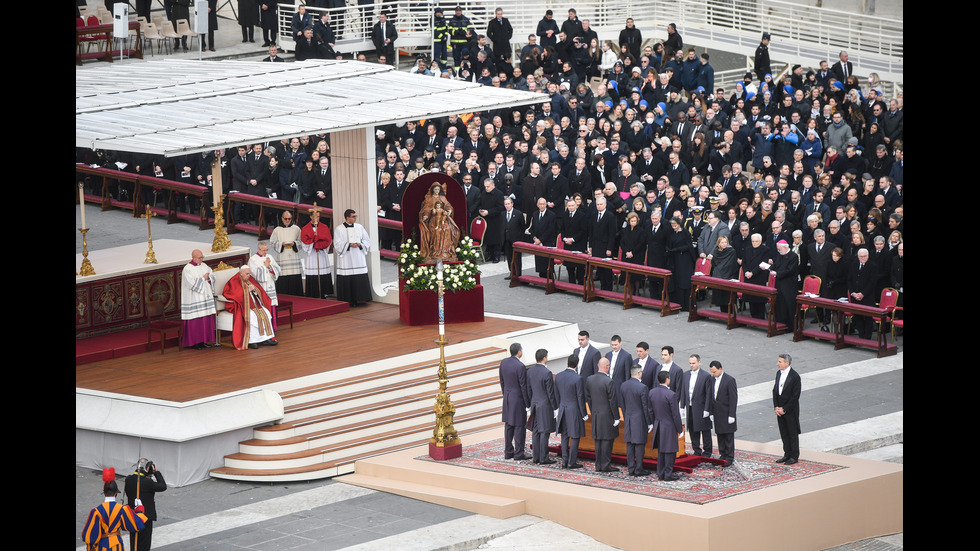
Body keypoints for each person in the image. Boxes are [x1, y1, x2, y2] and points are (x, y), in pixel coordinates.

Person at [82, 468, 146, 551]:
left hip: (101, 547)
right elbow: (136, 525)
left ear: (104, 493)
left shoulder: (95, 511)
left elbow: (89, 536)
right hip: (117, 546)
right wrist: (139, 509)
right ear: (116, 493)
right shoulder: (123, 509)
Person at [223, 266, 278, 350]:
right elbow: (232, 295)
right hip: (243, 305)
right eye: (247, 274)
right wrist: (246, 291)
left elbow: (260, 290)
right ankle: (252, 341)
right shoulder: (234, 281)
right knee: (252, 315)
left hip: (254, 303)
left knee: (265, 312)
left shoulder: (250, 279)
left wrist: (255, 290)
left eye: (249, 273)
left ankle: (266, 339)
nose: (249, 275)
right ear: (241, 273)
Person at [585, 357, 620, 472]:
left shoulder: (589, 379)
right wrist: (616, 417)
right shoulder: (609, 381)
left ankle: (598, 465)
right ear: (607, 367)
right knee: (606, 440)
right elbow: (612, 401)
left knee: (598, 440)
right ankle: (605, 465)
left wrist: (593, 409)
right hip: (607, 415)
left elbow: (588, 398)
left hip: (596, 413)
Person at [647, 370, 683, 481]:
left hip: (658, 424)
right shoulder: (671, 394)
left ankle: (661, 473)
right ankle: (668, 474)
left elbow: (650, 410)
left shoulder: (652, 392)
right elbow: (675, 415)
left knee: (661, 451)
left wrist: (653, 422)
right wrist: (680, 429)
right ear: (667, 379)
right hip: (669, 426)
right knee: (670, 451)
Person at [124, 459, 166, 551]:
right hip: (145, 518)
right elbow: (163, 486)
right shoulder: (147, 482)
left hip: (132, 516)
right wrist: (156, 472)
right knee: (144, 545)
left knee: (134, 543)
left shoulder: (128, 480)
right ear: (147, 469)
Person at [334, 209, 373, 307]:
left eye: (356, 216)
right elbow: (337, 244)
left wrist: (360, 244)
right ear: (348, 218)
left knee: (359, 276)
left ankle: (360, 298)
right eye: (353, 216)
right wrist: (348, 244)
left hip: (358, 256)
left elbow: (367, 240)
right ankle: (348, 299)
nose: (355, 218)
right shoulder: (339, 229)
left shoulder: (359, 227)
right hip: (346, 258)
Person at [498, 343, 530, 460]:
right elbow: (523, 386)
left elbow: (501, 381)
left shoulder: (504, 362)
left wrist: (506, 394)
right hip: (518, 400)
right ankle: (519, 453)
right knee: (519, 426)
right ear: (519, 352)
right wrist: (527, 403)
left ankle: (508, 452)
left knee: (508, 426)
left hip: (507, 397)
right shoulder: (520, 366)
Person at [555, 354, 587, 469]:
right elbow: (580, 398)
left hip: (562, 409)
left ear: (567, 362)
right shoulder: (578, 378)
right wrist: (584, 414)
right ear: (577, 364)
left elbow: (556, 395)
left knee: (564, 436)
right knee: (575, 436)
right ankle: (571, 462)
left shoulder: (558, 376)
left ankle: (564, 460)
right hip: (574, 411)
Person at [180, 249, 216, 350]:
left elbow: (212, 275)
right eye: (200, 258)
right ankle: (195, 343)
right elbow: (191, 284)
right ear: (194, 258)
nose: (202, 259)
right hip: (194, 299)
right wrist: (203, 278)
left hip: (204, 297)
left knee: (204, 320)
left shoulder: (204, 266)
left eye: (202, 257)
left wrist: (210, 277)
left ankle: (203, 341)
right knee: (196, 321)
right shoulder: (187, 269)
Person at [527, 348, 558, 464]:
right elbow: (550, 393)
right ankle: (544, 458)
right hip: (545, 406)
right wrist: (555, 407)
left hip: (534, 404)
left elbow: (528, 389)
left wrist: (530, 403)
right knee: (544, 431)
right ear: (544, 358)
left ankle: (536, 457)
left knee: (536, 431)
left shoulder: (530, 371)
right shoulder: (547, 373)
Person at [621, 364, 653, 476]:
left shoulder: (623, 385)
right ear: (639, 373)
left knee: (629, 444)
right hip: (639, 420)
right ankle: (639, 469)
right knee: (639, 445)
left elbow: (623, 404)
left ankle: (631, 468)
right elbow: (646, 407)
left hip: (628, 418)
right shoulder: (642, 387)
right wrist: (649, 422)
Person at [418, 183, 462, 263]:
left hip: (443, 219)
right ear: (432, 190)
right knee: (437, 231)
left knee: (447, 229)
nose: (437, 191)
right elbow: (426, 210)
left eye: (438, 189)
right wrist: (426, 216)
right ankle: (435, 251)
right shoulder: (429, 199)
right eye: (435, 189)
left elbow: (448, 206)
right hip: (433, 221)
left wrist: (449, 210)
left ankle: (445, 252)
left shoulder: (442, 198)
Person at [680, 354, 713, 458]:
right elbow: (683, 391)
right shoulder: (685, 375)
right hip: (690, 407)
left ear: (699, 362)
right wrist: (682, 406)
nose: (691, 365)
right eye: (690, 363)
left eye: (693, 363)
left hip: (702, 407)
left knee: (705, 430)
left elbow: (709, 394)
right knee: (693, 430)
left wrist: (707, 409)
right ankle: (696, 450)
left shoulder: (706, 376)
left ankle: (707, 451)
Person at [773, 353, 802, 465]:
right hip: (780, 410)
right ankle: (787, 454)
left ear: (787, 363)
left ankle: (794, 456)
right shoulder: (778, 373)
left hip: (790, 411)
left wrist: (784, 409)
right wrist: (776, 407)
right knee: (784, 433)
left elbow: (795, 396)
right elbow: (775, 391)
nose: (777, 364)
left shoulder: (795, 377)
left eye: (780, 362)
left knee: (792, 433)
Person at [708, 360, 738, 466]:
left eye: (714, 372)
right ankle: (723, 454)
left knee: (728, 436)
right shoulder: (712, 380)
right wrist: (711, 412)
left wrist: (732, 415)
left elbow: (733, 399)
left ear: (720, 369)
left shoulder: (729, 380)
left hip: (727, 413)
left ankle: (729, 457)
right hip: (717, 413)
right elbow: (711, 397)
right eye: (711, 372)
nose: (713, 374)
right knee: (720, 435)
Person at [301, 207, 334, 298]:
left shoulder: (324, 227)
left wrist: (320, 244)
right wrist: (313, 241)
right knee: (313, 272)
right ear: (311, 217)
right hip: (311, 254)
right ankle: (313, 293)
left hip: (321, 254)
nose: (317, 218)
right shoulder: (305, 228)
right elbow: (304, 242)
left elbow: (328, 240)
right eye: (315, 216)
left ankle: (323, 292)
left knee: (322, 271)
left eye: (318, 217)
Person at [248, 242, 281, 329]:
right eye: (263, 250)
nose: (265, 252)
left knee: (271, 304)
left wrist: (270, 267)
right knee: (263, 306)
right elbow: (253, 274)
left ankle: (272, 327)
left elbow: (277, 269)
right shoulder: (253, 259)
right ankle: (265, 327)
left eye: (267, 250)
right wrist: (265, 266)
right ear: (258, 249)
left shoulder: (269, 257)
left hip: (270, 284)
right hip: (261, 286)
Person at [270, 211, 303, 296]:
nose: (287, 221)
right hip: (282, 256)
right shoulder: (277, 230)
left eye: (289, 219)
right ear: (282, 219)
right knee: (283, 278)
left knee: (294, 278)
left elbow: (301, 241)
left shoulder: (296, 229)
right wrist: (281, 244)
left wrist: (294, 244)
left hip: (293, 256)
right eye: (286, 219)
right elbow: (272, 242)